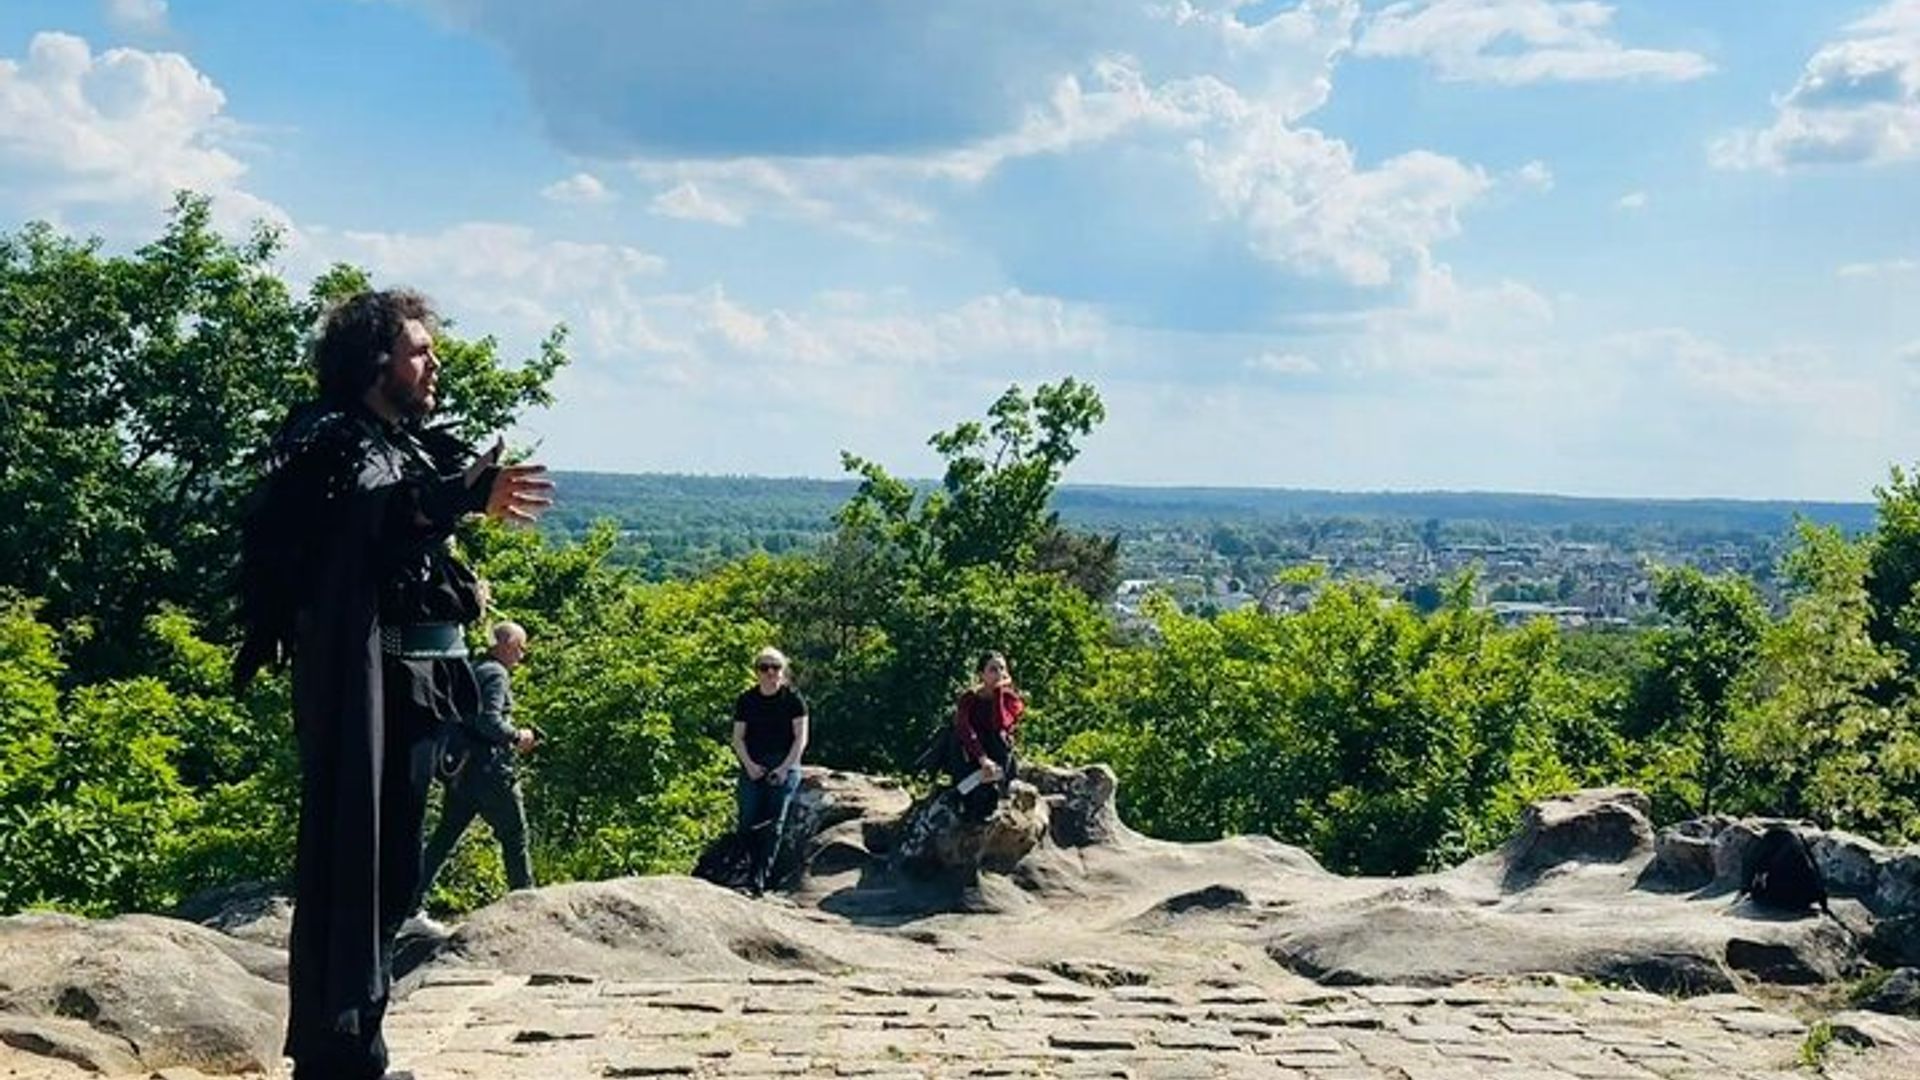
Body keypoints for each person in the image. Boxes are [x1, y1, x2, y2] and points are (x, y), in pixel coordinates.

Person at [234, 288, 551, 1080]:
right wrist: (455, 498)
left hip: (413, 697)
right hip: (369, 692)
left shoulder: (388, 440)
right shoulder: (334, 440)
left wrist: (461, 502)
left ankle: (358, 1047)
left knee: (393, 873)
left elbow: (407, 509)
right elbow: (371, 519)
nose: (432, 362)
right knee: (360, 866)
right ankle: (342, 1057)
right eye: (417, 351)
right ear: (374, 361)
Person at [418, 620, 537, 902]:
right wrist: (517, 735)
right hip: (491, 771)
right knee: (515, 836)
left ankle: (408, 907)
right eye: (520, 649)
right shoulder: (496, 674)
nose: (521, 657)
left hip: (462, 772)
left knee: (443, 840)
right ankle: (528, 904)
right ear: (506, 645)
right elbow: (490, 721)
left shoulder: (473, 668)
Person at [729, 647, 809, 895]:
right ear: (757, 672)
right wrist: (750, 767)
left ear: (783, 671)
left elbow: (801, 738)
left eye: (775, 667)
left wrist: (784, 769)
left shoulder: (794, 700)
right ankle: (740, 873)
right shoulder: (746, 700)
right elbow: (738, 738)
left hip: (785, 763)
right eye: (764, 667)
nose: (770, 673)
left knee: (775, 823)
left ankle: (758, 882)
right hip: (754, 763)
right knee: (747, 820)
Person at [951, 651, 1024, 822]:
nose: (998, 673)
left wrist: (998, 691)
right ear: (981, 674)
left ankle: (993, 785)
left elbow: (1001, 724)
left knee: (999, 737)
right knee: (956, 739)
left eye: (1002, 669)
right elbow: (965, 730)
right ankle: (965, 791)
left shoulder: (1011, 699)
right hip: (972, 753)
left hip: (997, 755)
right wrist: (983, 759)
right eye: (993, 669)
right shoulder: (969, 698)